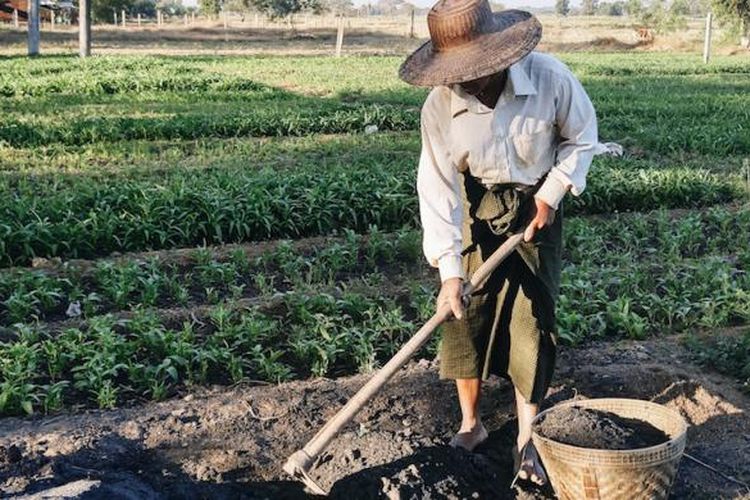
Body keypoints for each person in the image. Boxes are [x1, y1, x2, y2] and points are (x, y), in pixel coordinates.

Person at [398, 0, 621, 487]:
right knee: (466, 318)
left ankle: (527, 439)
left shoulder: (550, 78)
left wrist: (552, 193)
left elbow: (582, 138)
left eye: (476, 70)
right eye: (458, 72)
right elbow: (435, 185)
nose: (467, 81)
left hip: (536, 208)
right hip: (475, 212)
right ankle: (471, 425)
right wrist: (450, 271)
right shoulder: (439, 105)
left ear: (499, 53)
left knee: (532, 322)